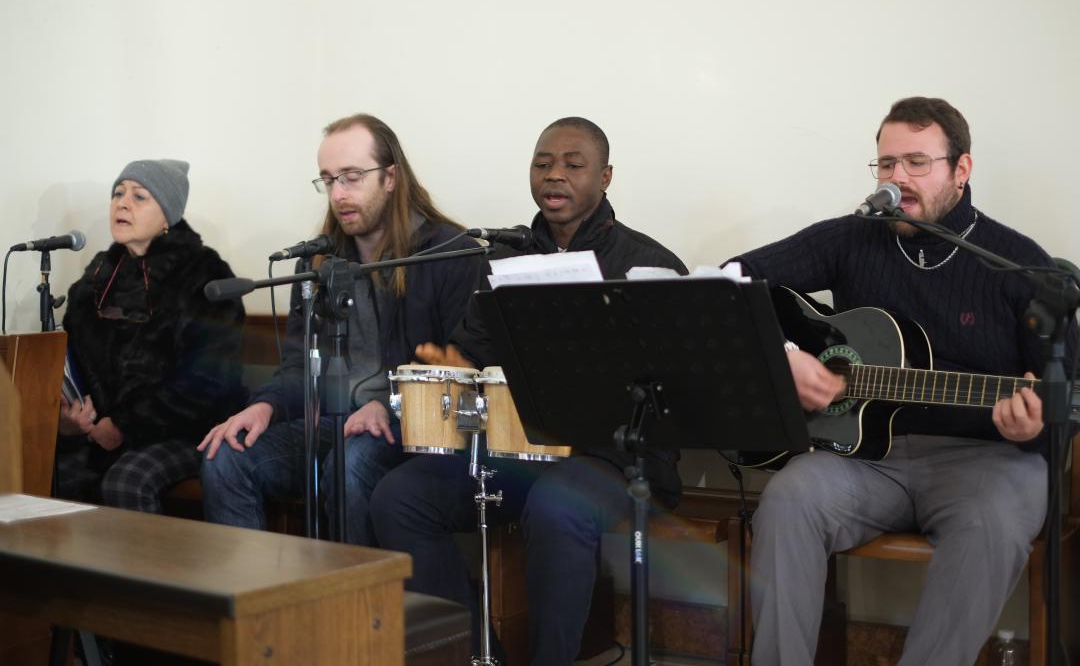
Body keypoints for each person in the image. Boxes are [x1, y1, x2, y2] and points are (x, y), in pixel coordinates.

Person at [732, 96, 1077, 665]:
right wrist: (785, 354)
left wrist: (1035, 426)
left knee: (989, 524)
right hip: (868, 458)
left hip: (988, 462)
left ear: (961, 170)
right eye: (887, 164)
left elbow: (1065, 389)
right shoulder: (851, 238)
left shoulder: (1018, 263)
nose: (898, 178)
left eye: (917, 162)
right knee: (790, 498)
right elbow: (730, 279)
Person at [369, 116, 688, 665]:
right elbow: (470, 349)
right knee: (401, 496)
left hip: (615, 460)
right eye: (543, 163)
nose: (554, 174)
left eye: (573, 164)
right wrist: (451, 365)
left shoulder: (647, 263)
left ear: (606, 177)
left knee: (558, 503)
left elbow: (677, 385)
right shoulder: (504, 258)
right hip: (520, 449)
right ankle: (476, 653)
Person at [198, 113, 482, 544]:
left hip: (413, 427)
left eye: (352, 177)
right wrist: (266, 405)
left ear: (391, 177)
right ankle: (259, 589)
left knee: (349, 464)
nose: (338, 194)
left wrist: (387, 405)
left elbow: (463, 366)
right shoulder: (318, 264)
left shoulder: (447, 254)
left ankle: (359, 589)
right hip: (332, 421)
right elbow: (298, 366)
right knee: (226, 457)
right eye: (328, 180)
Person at [57, 159, 245, 513]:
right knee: (47, 469)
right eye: (118, 194)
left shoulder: (206, 273)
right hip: (102, 429)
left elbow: (209, 380)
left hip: (187, 429)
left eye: (139, 196)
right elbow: (72, 360)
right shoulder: (99, 274)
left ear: (167, 217)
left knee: (126, 480)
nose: (122, 203)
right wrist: (69, 416)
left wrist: (125, 425)